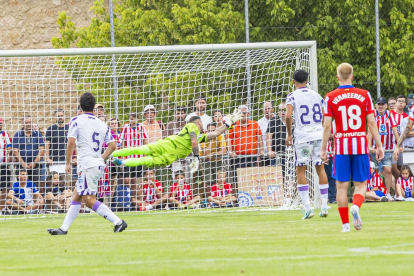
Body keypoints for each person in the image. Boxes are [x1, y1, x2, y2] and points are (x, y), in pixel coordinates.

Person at [47, 92, 127, 235]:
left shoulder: (76, 120)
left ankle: (118, 222)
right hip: (96, 164)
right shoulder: (101, 124)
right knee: (77, 196)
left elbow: (71, 142)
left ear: (81, 105)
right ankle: (63, 229)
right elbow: (113, 145)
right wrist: (101, 158)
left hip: (87, 164)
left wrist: (67, 163)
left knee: (89, 200)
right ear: (94, 107)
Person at [321, 63, 384, 232]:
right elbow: (371, 122)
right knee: (361, 184)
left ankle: (345, 225)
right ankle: (356, 206)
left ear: (337, 77)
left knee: (341, 187)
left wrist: (323, 149)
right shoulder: (364, 95)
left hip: (341, 147)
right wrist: (379, 145)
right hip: (360, 146)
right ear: (352, 77)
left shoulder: (330, 97)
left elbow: (327, 126)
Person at [112, 109, 242, 174]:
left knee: (146, 160)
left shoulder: (199, 135)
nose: (203, 126)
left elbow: (215, 133)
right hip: (168, 145)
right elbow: (193, 141)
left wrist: (228, 123)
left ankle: (121, 162)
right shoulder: (192, 126)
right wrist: (196, 157)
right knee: (142, 150)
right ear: (199, 122)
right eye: (202, 124)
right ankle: (113, 154)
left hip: (172, 155)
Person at [285, 69, 329, 219]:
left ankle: (308, 208)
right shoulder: (317, 95)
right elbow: (325, 115)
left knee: (301, 171)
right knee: (320, 169)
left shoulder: (292, 96)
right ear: (307, 81)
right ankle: (324, 206)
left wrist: (290, 134)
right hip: (318, 136)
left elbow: (288, 115)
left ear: (293, 81)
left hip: (303, 137)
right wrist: (321, 129)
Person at [367, 97, 399, 200]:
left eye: (382, 104)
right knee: (375, 172)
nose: (381, 106)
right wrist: (370, 147)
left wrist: (398, 145)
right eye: (379, 104)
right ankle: (377, 194)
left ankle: (389, 193)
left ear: (386, 105)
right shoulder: (373, 115)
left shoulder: (390, 115)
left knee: (388, 170)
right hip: (375, 150)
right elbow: (370, 131)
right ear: (376, 106)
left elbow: (394, 130)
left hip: (387, 148)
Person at [227, 105, 264, 185]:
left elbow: (259, 138)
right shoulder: (232, 125)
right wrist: (230, 152)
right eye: (240, 113)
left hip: (251, 157)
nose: (242, 115)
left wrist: (261, 150)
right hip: (237, 158)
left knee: (251, 179)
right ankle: (237, 196)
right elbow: (228, 139)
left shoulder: (255, 124)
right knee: (237, 179)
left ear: (248, 114)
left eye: (244, 113)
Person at [118, 112, 148, 196]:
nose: (133, 121)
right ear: (129, 120)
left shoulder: (141, 127)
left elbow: (145, 140)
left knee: (135, 180)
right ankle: (128, 195)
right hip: (128, 157)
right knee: (127, 180)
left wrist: (144, 155)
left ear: (137, 119)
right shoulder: (126, 127)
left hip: (138, 158)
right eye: (131, 119)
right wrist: (123, 155)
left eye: (135, 119)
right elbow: (122, 140)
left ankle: (133, 198)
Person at [12, 115, 45, 187]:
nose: (28, 124)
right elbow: (15, 151)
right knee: (21, 188)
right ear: (22, 124)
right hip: (21, 167)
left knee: (34, 187)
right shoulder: (17, 134)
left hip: (35, 167)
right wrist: (23, 163)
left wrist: (34, 162)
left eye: (30, 122)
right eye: (26, 122)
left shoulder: (37, 134)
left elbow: (42, 149)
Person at [45, 109, 70, 191]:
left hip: (65, 162)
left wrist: (74, 157)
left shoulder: (68, 128)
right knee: (53, 186)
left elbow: (74, 144)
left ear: (64, 116)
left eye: (61, 116)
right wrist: (48, 158)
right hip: (54, 162)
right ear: (55, 117)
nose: (60, 118)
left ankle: (66, 203)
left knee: (65, 185)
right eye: (58, 116)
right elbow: (47, 145)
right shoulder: (50, 129)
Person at [165, 106, 190, 182]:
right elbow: (165, 140)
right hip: (176, 158)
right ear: (175, 114)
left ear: (185, 114)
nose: (179, 115)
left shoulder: (189, 124)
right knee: (176, 179)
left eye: (181, 113)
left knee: (188, 180)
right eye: (178, 113)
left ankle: (188, 193)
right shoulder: (170, 125)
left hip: (188, 157)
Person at [203, 122, 227, 196]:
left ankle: (220, 197)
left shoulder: (220, 137)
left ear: (216, 130)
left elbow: (224, 151)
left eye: (213, 130)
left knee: (220, 180)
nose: (211, 132)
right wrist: (211, 141)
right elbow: (206, 153)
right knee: (208, 181)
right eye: (209, 130)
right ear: (207, 131)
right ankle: (210, 200)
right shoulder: (203, 137)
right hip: (206, 161)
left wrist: (213, 154)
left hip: (218, 160)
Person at [390, 95, 408, 185]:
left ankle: (401, 188)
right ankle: (402, 184)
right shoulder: (390, 114)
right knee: (393, 167)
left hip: (402, 145)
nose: (400, 103)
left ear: (405, 104)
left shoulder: (407, 117)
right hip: (391, 145)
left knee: (401, 168)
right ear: (396, 103)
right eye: (399, 101)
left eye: (402, 101)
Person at [267, 102, 287, 169]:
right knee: (276, 178)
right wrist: (269, 150)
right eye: (281, 110)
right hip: (275, 155)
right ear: (278, 111)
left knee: (291, 177)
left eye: (285, 110)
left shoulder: (294, 121)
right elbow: (268, 137)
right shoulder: (273, 121)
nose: (283, 112)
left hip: (290, 155)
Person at [0, 117, 12, 211]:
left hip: (3, 165)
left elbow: (9, 146)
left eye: (1, 124)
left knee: (5, 187)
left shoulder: (5, 134)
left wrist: (8, 154)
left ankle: (2, 208)